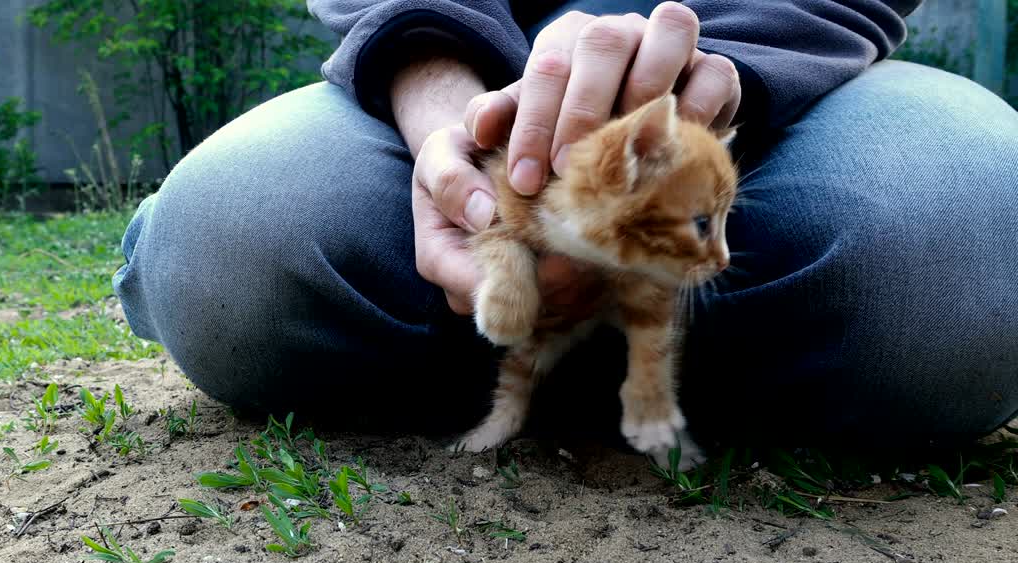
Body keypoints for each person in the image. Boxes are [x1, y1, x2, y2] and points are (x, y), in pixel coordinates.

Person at [113, 1, 1018, 449]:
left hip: (776, 91)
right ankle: (717, 369)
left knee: (964, 242)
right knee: (224, 246)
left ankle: (499, 368)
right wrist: (447, 115)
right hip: (453, 75)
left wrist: (717, 72)